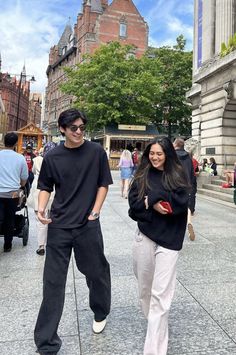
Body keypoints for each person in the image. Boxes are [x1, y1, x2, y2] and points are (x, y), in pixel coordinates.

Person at [34, 108, 112, 355]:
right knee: (53, 283)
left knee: (95, 271)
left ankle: (100, 310)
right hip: (59, 226)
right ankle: (46, 342)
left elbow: (103, 184)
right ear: (63, 130)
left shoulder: (96, 152)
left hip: (87, 224)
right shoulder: (53, 156)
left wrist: (95, 212)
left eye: (81, 127)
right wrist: (40, 208)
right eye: (74, 128)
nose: (79, 132)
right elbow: (45, 186)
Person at [128, 137, 189, 355]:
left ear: (167, 155)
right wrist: (150, 203)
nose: (155, 157)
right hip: (145, 236)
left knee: (161, 295)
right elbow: (133, 208)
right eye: (152, 153)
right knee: (145, 290)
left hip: (170, 240)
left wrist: (152, 198)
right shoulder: (142, 175)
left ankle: (154, 348)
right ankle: (157, 323)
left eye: (159, 154)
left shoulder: (178, 174)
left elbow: (181, 204)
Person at [0, 132, 28, 252]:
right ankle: (7, 245)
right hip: (12, 194)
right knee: (10, 218)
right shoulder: (20, 158)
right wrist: (21, 185)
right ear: (16, 143)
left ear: (3, 142)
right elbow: (24, 177)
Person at [27, 143, 56, 255]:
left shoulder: (37, 159)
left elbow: (33, 171)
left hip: (38, 187)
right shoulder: (56, 160)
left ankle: (41, 245)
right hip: (53, 189)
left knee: (40, 218)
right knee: (51, 218)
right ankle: (51, 243)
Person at [173, 138, 195, 241]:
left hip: (175, 183)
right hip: (187, 184)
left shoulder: (172, 156)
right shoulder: (188, 156)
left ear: (176, 144)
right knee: (187, 204)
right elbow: (191, 172)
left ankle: (175, 228)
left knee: (175, 204)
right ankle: (189, 222)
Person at [189, 151, 199, 215]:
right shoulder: (195, 161)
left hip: (186, 178)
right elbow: (197, 171)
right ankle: (192, 210)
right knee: (193, 194)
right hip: (193, 178)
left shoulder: (185, 161)